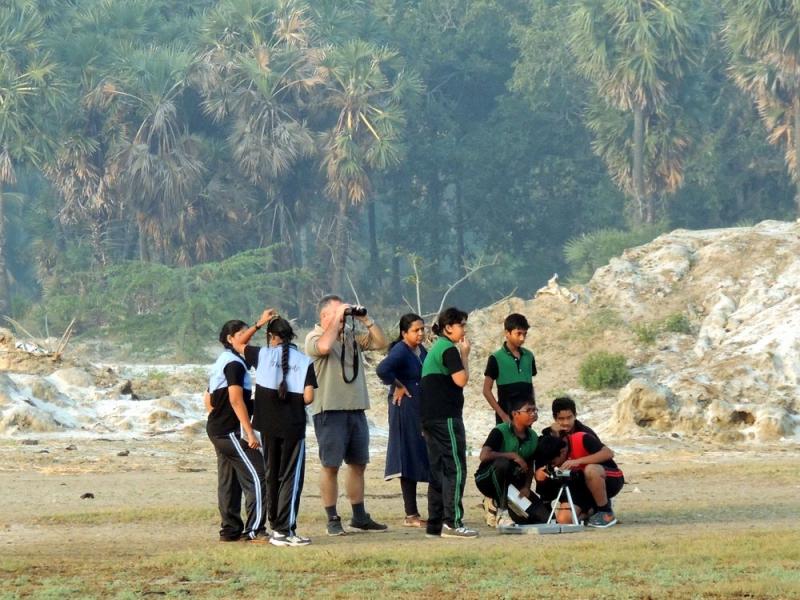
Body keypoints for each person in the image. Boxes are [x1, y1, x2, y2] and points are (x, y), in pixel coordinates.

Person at [305, 294, 388, 536]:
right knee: (330, 465)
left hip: (356, 409)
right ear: (324, 316)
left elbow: (381, 343)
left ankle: (359, 516)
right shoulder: (314, 337)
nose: (343, 315)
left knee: (358, 464)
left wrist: (366, 320)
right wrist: (337, 320)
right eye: (337, 311)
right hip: (329, 411)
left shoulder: (350, 336)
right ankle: (332, 518)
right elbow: (323, 347)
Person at [232, 315, 317, 547]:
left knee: (272, 475)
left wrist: (258, 323)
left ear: (272, 337)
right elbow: (309, 397)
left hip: (266, 427)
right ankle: (285, 530)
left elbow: (238, 345)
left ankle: (276, 528)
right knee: (291, 477)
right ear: (291, 337)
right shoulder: (305, 360)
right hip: (293, 427)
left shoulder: (262, 355)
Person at [205, 318, 268, 543]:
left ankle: (230, 530)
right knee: (259, 476)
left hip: (216, 429)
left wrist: (259, 323)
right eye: (242, 334)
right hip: (229, 431)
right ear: (230, 339)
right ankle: (255, 530)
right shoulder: (233, 363)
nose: (248, 337)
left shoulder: (221, 361)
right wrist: (249, 432)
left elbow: (208, 399)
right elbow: (235, 399)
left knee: (228, 480)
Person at [420, 307, 478, 539]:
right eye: (461, 325)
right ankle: (452, 523)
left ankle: (435, 524)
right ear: (448, 328)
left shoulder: (435, 349)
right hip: (446, 418)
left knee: (438, 470)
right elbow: (462, 379)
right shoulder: (448, 349)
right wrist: (465, 354)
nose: (464, 329)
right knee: (455, 468)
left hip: (429, 418)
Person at [376, 313, 430, 528]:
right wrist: (398, 385)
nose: (420, 333)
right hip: (404, 408)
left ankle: (420, 512)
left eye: (422, 329)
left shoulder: (421, 351)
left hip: (419, 408)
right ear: (404, 333)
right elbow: (382, 370)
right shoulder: (400, 350)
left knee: (420, 453)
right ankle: (411, 514)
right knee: (407, 455)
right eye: (416, 330)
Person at [546, 397, 624, 528]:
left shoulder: (584, 434)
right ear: (555, 418)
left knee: (591, 469)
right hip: (578, 483)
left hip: (605, 476)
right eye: (561, 419)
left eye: (569, 418)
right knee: (563, 520)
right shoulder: (552, 434)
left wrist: (578, 461)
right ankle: (590, 511)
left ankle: (605, 511)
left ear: (575, 416)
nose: (566, 423)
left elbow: (608, 453)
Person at [474, 398, 550, 527]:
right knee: (503, 463)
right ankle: (502, 511)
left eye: (535, 410)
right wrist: (512, 455)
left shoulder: (532, 436)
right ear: (515, 414)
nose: (533, 413)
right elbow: (484, 455)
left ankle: (494, 506)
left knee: (542, 518)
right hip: (488, 479)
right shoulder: (501, 431)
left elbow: (530, 464)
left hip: (513, 485)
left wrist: (526, 486)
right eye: (528, 410)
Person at [482, 313, 537, 424]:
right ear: (507, 333)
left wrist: (533, 410)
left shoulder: (529, 356)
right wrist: (502, 415)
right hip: (505, 419)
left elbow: (530, 387)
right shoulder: (496, 358)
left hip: (525, 419)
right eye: (518, 334)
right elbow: (486, 390)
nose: (522, 338)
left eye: (525, 334)